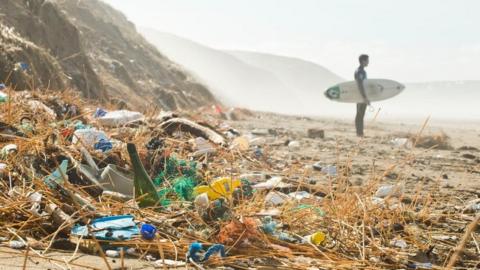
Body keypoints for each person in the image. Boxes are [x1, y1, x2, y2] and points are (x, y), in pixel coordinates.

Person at [354, 54, 370, 137]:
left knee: (361, 114)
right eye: (367, 60)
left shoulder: (362, 71)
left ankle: (360, 132)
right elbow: (360, 85)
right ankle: (359, 133)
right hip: (360, 96)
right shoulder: (359, 71)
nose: (368, 62)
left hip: (362, 95)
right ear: (363, 61)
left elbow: (364, 85)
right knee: (360, 114)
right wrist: (364, 97)